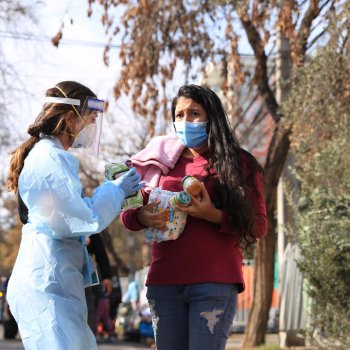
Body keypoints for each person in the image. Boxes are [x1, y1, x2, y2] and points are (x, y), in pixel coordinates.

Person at [121, 84, 268, 350]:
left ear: (212, 117)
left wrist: (212, 214)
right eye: (179, 115)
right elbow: (128, 216)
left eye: (194, 114)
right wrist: (143, 216)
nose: (185, 121)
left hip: (213, 284)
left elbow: (259, 226)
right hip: (163, 284)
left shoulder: (239, 163)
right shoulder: (159, 161)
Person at [5, 81, 144, 350]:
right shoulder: (49, 159)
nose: (91, 129)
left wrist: (112, 192)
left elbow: (72, 213)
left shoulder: (52, 156)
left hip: (53, 282)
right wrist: (114, 190)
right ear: (70, 119)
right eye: (90, 120)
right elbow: (83, 218)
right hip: (46, 285)